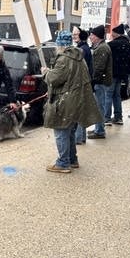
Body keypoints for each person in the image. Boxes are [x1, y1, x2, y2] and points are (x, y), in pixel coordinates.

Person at [42, 30, 102, 173]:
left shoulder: (64, 59)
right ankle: (72, 159)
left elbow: (54, 79)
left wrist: (46, 72)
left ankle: (63, 163)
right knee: (69, 131)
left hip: (66, 100)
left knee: (61, 130)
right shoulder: (78, 57)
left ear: (61, 45)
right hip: (76, 100)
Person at [104, 23, 130, 125]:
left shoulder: (112, 44)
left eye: (113, 33)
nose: (111, 35)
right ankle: (118, 117)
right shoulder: (129, 45)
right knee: (117, 95)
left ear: (116, 34)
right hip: (122, 74)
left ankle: (106, 118)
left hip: (112, 73)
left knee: (108, 95)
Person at [87, 25, 112, 140]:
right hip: (100, 81)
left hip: (100, 82)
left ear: (97, 36)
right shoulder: (100, 47)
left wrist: (93, 81)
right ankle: (98, 128)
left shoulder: (102, 48)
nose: (90, 37)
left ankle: (100, 131)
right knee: (99, 106)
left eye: (92, 35)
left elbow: (98, 68)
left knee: (99, 107)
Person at [72, 26, 93, 145]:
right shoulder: (84, 47)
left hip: (81, 84)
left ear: (81, 35)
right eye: (73, 34)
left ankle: (79, 137)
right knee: (81, 111)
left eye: (76, 34)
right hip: (85, 83)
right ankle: (81, 137)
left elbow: (80, 69)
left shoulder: (82, 50)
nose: (74, 36)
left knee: (78, 111)